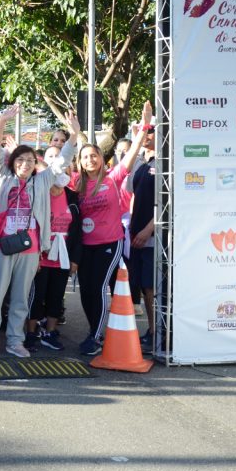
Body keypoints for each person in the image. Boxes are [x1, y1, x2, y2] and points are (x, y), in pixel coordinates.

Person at [0, 107, 79, 358]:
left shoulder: (41, 181)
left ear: (36, 164)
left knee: (21, 299)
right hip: (4, 246)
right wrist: (2, 121)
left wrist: (74, 134)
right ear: (12, 162)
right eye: (20, 160)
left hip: (31, 248)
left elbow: (63, 161)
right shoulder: (3, 178)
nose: (25, 164)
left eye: (30, 160)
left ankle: (15, 341)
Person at [74, 101, 153, 356]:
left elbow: (132, 155)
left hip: (110, 243)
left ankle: (96, 337)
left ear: (101, 158)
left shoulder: (112, 178)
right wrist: (74, 133)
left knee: (98, 287)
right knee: (86, 291)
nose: (90, 160)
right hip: (85, 246)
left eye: (94, 155)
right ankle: (93, 330)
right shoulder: (76, 184)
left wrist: (144, 127)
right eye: (85, 157)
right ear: (80, 161)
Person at [23, 144, 83, 352]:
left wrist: (75, 259)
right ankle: (31, 333)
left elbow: (77, 231)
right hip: (40, 255)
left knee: (56, 296)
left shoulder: (72, 197)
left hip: (62, 256)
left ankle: (50, 332)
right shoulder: (39, 193)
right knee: (36, 296)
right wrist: (35, 255)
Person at [127, 122, 157, 350]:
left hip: (153, 237)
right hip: (136, 235)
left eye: (151, 130)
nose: (146, 134)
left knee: (151, 287)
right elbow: (132, 195)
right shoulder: (140, 163)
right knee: (142, 286)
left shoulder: (166, 162)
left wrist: (148, 230)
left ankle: (157, 332)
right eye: (142, 130)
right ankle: (152, 330)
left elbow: (168, 202)